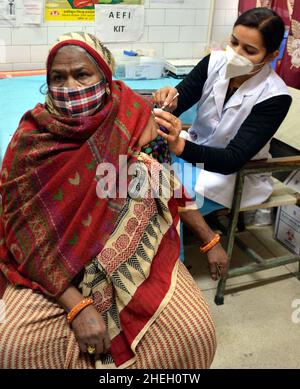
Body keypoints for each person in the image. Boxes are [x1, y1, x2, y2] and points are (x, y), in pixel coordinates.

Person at [0, 32, 228, 369]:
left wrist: (208, 240)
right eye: (58, 78)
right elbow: (23, 233)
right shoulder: (32, 140)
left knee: (192, 334)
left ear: (104, 78)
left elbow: (163, 181)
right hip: (52, 265)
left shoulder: (134, 117)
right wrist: (76, 305)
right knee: (16, 346)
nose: (70, 87)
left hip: (135, 252)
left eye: (82, 75)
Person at [153, 7, 292, 215]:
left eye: (249, 50)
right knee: (145, 175)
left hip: (231, 175)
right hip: (194, 151)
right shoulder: (214, 62)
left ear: (271, 55)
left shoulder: (275, 96)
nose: (235, 54)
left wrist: (180, 146)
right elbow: (178, 100)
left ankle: (178, 243)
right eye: (234, 42)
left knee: (167, 199)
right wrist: (167, 102)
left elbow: (232, 159)